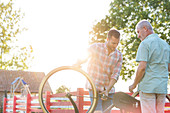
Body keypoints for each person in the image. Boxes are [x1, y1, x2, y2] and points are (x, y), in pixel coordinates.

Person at [74, 29, 123, 113]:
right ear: (107, 40)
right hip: (94, 85)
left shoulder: (118, 55)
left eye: (117, 44)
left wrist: (107, 90)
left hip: (108, 88)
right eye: (113, 43)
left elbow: (115, 75)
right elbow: (84, 56)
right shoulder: (96, 47)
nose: (115, 46)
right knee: (97, 111)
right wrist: (77, 64)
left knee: (105, 112)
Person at [129, 20, 170, 113]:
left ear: (145, 28)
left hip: (148, 87)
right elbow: (169, 67)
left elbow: (142, 67)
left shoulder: (145, 44)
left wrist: (134, 84)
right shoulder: (166, 45)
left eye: (138, 32)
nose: (138, 36)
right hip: (161, 88)